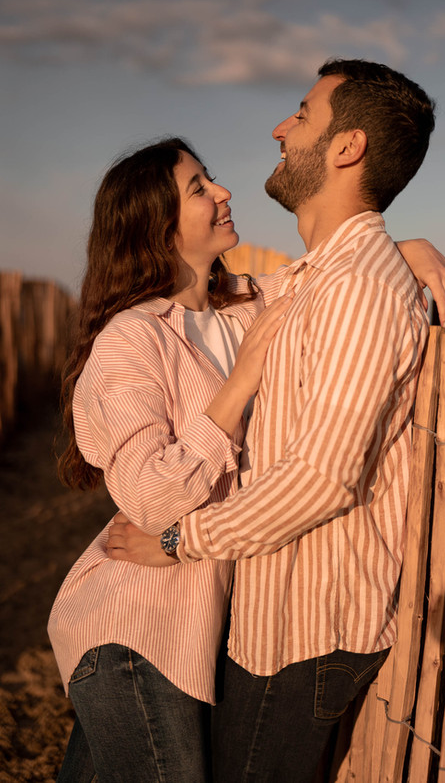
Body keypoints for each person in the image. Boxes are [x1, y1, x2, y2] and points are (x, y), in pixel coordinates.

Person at [107, 59, 445, 783]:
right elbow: (225, 294)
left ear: (347, 148)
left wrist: (177, 541)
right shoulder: (317, 279)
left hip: (305, 632)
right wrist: (402, 246)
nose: (279, 127)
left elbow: (322, 479)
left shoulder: (358, 289)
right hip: (274, 615)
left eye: (301, 114)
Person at [48, 136, 295, 783]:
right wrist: (238, 386)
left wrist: (410, 249)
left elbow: (329, 279)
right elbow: (150, 497)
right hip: (136, 634)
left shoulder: (242, 307)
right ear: (159, 227)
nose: (224, 192)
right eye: (198, 188)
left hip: (184, 634)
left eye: (211, 178)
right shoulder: (131, 338)